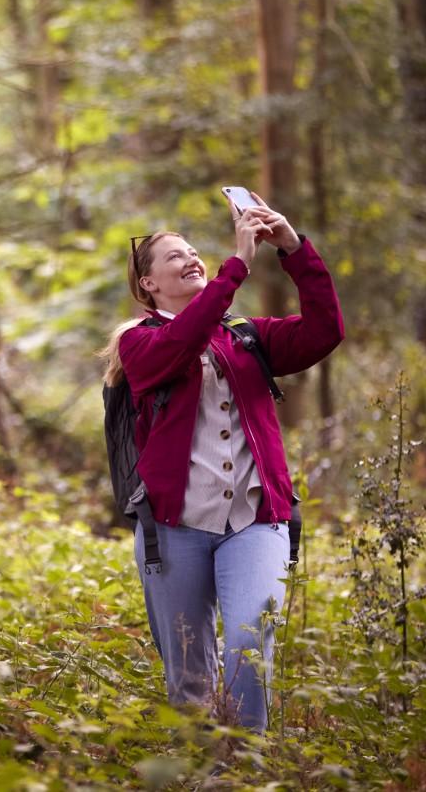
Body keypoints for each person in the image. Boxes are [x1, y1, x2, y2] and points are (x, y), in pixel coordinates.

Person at [99, 203, 343, 731]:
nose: (190, 257)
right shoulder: (139, 342)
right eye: (173, 255)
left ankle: (244, 769)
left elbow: (326, 330)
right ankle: (205, 772)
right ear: (149, 283)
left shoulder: (246, 336)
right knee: (189, 676)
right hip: (173, 528)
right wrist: (237, 264)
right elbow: (180, 343)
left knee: (250, 643)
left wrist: (293, 249)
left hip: (255, 523)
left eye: (192, 250)